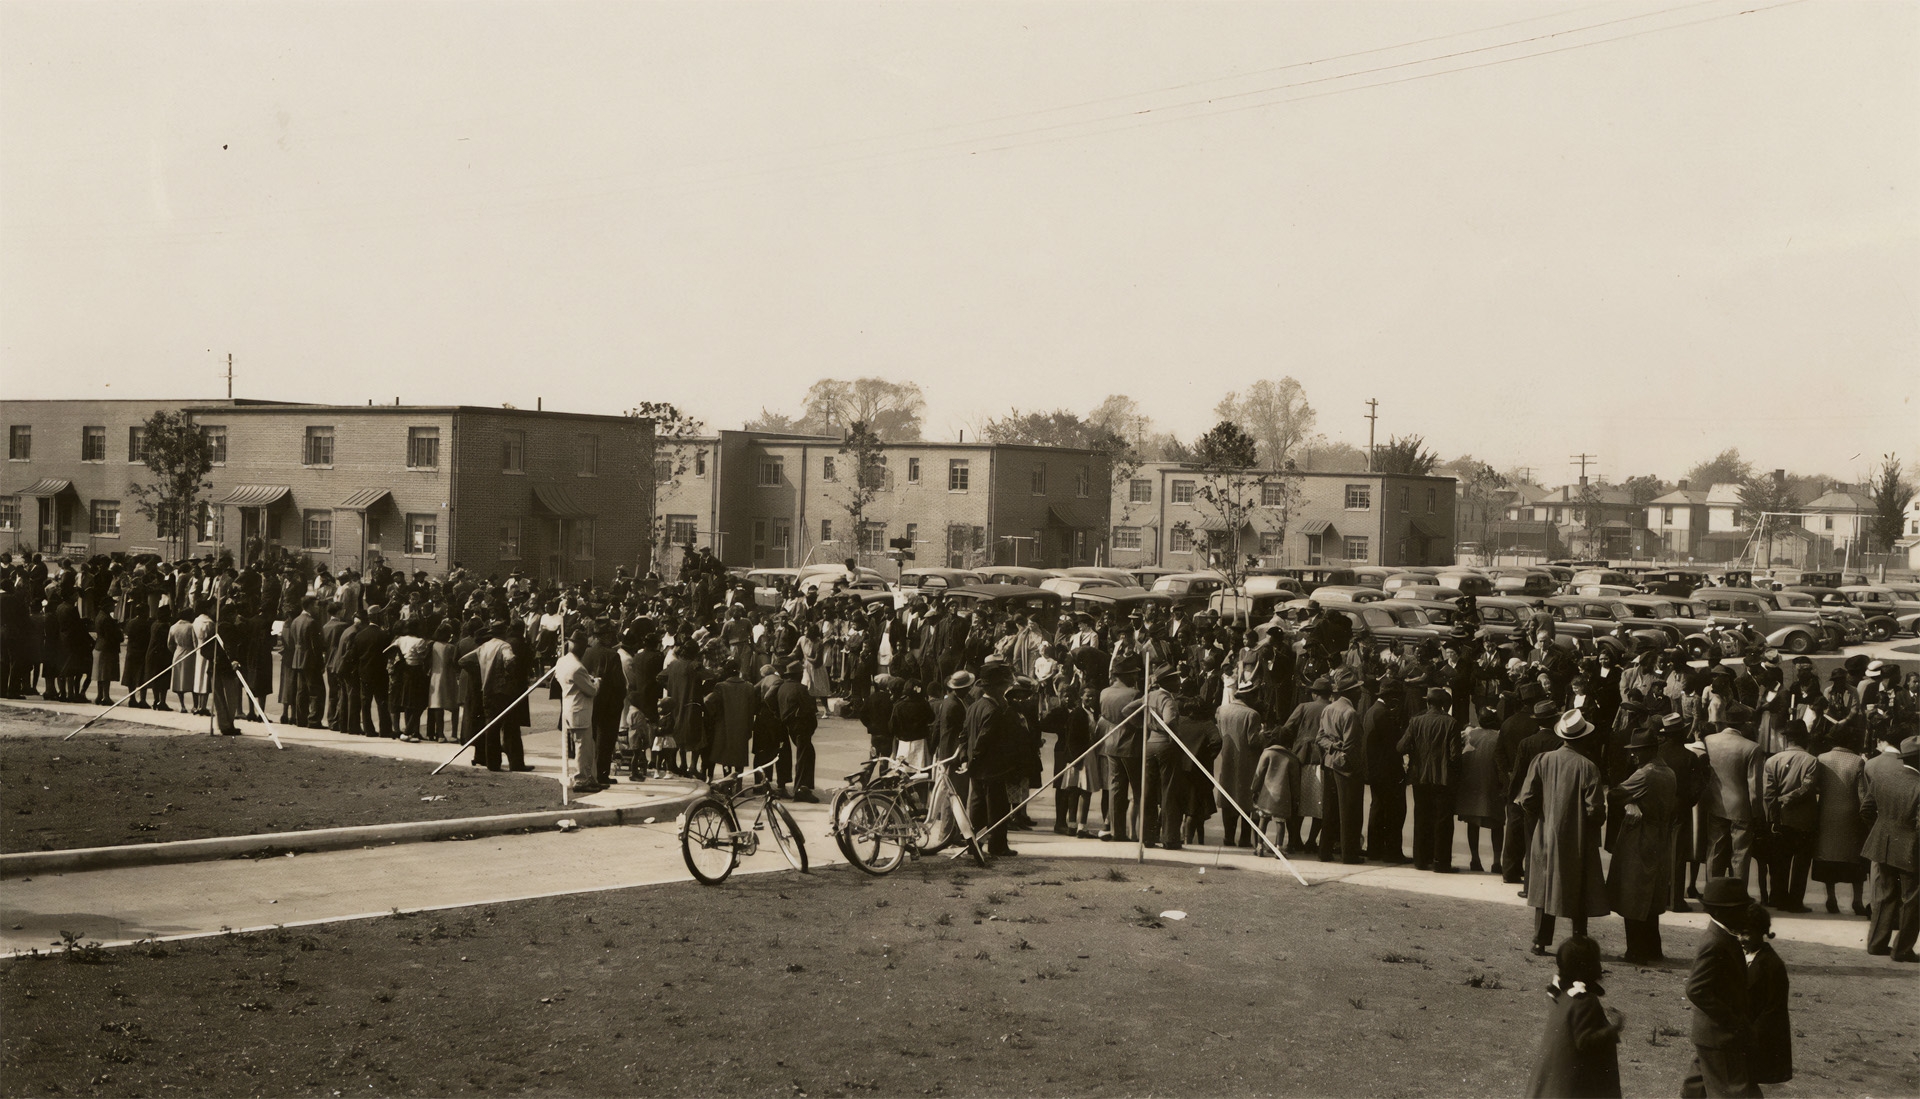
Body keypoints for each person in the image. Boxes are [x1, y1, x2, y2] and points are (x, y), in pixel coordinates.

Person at [1520, 710, 1609, 954]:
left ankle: (1540, 940)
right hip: (1576, 837)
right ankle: (1579, 939)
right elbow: (1595, 810)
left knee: (1544, 887)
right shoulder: (1588, 767)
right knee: (1578, 888)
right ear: (1582, 738)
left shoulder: (1542, 760)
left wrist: (1542, 816)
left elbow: (1526, 798)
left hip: (1545, 832)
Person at [1682, 877, 1759, 1099]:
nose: (1747, 914)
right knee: (1733, 1091)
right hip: (1719, 1033)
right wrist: (1731, 1018)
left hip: (1710, 1033)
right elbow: (1695, 988)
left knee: (1697, 1086)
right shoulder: (1715, 942)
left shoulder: (1725, 936)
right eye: (1742, 910)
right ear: (1723, 912)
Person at [1523, 934, 1623, 1099]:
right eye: (1596, 962)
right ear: (1585, 969)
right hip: (1571, 1086)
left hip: (1552, 1081)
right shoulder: (1585, 1001)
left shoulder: (1561, 995)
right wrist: (1612, 1030)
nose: (1600, 967)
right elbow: (1585, 1041)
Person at [1607, 726, 1676, 963]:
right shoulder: (1668, 772)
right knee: (1652, 895)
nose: (1633, 756)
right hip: (1661, 836)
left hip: (1640, 836)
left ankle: (1635, 950)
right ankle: (1653, 948)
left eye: (1636, 751)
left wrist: (1630, 803)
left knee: (1633, 892)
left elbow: (1614, 794)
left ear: (1649, 750)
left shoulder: (1645, 774)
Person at [1859, 734, 1920, 961]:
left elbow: (1866, 810)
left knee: (1884, 895)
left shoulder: (1883, 777)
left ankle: (1876, 943)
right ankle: (1902, 949)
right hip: (1910, 850)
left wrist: (1882, 830)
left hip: (1881, 843)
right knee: (1912, 900)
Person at [1699, 704, 1765, 887]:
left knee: (1715, 850)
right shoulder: (1752, 748)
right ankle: (1738, 894)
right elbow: (1754, 787)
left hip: (1715, 802)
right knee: (1740, 853)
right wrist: (1758, 813)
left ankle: (1712, 891)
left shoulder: (1709, 740)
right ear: (1744, 724)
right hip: (1741, 807)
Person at [1758, 724, 1820, 913]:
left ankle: (1778, 897)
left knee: (1780, 861)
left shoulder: (1772, 761)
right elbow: (1808, 787)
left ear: (1787, 740)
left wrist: (1773, 816)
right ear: (1805, 740)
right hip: (1804, 820)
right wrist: (1789, 798)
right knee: (1801, 864)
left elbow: (1767, 794)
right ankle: (1795, 901)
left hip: (1780, 821)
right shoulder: (1811, 761)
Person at [965, 656, 1021, 858]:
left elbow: (965, 737)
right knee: (997, 807)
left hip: (977, 767)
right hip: (992, 767)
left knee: (977, 807)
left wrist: (968, 761)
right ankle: (997, 845)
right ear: (997, 688)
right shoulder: (994, 710)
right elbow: (984, 741)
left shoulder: (974, 706)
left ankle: (974, 844)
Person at [1811, 723, 1870, 915]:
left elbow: (1816, 786)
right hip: (1851, 815)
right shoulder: (1857, 761)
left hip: (1827, 813)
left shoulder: (1822, 758)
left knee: (1829, 855)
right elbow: (1862, 793)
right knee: (1855, 857)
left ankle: (1831, 898)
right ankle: (1857, 901)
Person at [1400, 687, 1460, 873]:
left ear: (1428, 703)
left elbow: (1401, 746)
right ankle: (1441, 863)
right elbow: (1455, 756)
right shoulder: (1451, 723)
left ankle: (1420, 859)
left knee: (1421, 817)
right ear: (1444, 705)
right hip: (1442, 778)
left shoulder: (1416, 721)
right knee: (1443, 820)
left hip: (1420, 777)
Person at [1316, 673, 1366, 864]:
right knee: (1349, 812)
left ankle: (1325, 851)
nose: (1361, 693)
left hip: (1329, 764)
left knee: (1329, 811)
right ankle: (1349, 854)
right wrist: (1354, 767)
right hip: (1346, 768)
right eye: (1358, 689)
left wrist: (1331, 746)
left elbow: (1319, 737)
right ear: (1351, 692)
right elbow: (1351, 747)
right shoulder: (1350, 713)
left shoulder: (1328, 709)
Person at [1742, 904, 1792, 1088]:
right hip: (1738, 1029)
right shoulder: (1739, 954)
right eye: (1738, 932)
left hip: (1756, 1035)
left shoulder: (1771, 965)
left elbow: (1773, 1008)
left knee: (1744, 1083)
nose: (1741, 938)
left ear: (1761, 932)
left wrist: (1748, 1034)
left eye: (1746, 933)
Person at [1455, 704, 1505, 873]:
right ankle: (1497, 861)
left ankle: (1474, 858)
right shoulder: (1498, 737)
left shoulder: (1470, 735)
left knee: (1472, 823)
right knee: (1497, 824)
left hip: (1472, 785)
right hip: (1492, 785)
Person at [554, 629, 601, 793]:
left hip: (570, 706)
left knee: (588, 745)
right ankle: (581, 780)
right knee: (582, 746)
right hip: (579, 709)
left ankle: (590, 777)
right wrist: (596, 682)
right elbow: (591, 690)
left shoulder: (563, 661)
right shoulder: (577, 667)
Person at [775, 660, 819, 802]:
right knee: (804, 756)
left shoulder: (782, 687)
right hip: (800, 725)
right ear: (798, 675)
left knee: (803, 754)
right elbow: (810, 708)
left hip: (787, 724)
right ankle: (801, 788)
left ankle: (798, 786)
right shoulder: (800, 689)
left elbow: (769, 699)